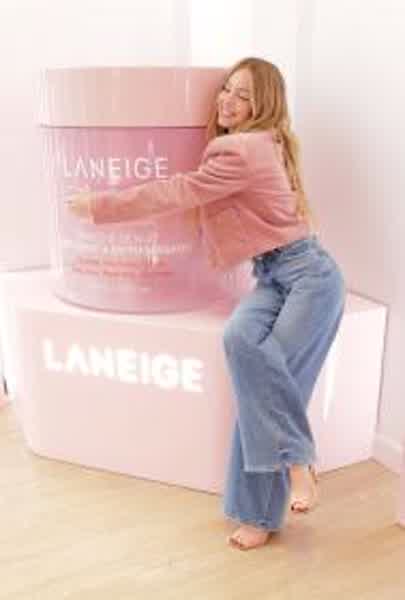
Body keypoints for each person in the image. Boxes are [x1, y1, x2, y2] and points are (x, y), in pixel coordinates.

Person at [67, 57, 346, 551]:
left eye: (244, 95)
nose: (228, 101)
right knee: (240, 341)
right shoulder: (265, 142)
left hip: (310, 279)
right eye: (227, 89)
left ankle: (283, 482)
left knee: (263, 388)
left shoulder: (240, 149)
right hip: (273, 275)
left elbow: (176, 191)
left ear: (263, 106)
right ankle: (289, 469)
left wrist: (99, 206)